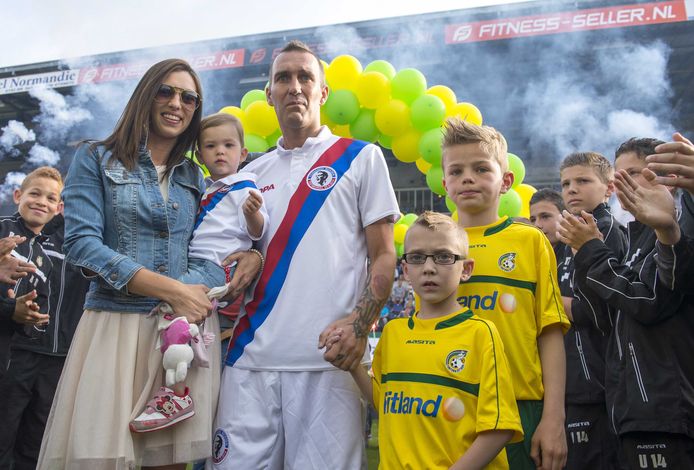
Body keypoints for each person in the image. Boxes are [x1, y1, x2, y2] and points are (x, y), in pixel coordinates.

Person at [37, 58, 260, 470]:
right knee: (97, 458)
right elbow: (82, 244)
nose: (177, 103)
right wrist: (171, 290)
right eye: (166, 91)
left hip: (178, 331)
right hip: (114, 325)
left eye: (189, 97)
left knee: (167, 463)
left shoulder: (197, 176)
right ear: (146, 95)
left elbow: (213, 247)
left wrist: (249, 254)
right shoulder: (95, 158)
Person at [212, 40, 399, 469]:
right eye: (283, 78)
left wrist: (358, 323)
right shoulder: (248, 175)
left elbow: (384, 255)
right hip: (249, 361)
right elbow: (233, 257)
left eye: (305, 77)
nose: (294, 86)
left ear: (323, 92)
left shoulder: (361, 158)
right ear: (269, 95)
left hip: (329, 364)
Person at [330, 211, 523, 469]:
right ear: (406, 270)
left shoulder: (481, 334)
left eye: (444, 257)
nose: (429, 268)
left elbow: (499, 428)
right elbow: (383, 402)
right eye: (418, 258)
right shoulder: (394, 333)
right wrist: (353, 366)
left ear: (466, 269)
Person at [441, 117, 570, 470]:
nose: (467, 177)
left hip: (520, 406)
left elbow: (551, 332)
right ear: (444, 183)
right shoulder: (437, 246)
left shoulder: (529, 242)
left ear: (506, 181)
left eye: (481, 168)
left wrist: (553, 418)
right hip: (452, 404)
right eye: (456, 171)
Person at [557, 137, 694, 469]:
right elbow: (612, 317)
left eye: (636, 173)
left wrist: (590, 251)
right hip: (629, 406)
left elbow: (647, 301)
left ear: (668, 177)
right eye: (621, 177)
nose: (625, 185)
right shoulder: (635, 236)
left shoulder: (669, 230)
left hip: (662, 407)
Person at [130, 112, 268, 433]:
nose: (220, 151)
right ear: (200, 154)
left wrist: (252, 215)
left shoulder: (245, 187)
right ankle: (188, 357)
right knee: (173, 318)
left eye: (228, 145)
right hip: (196, 267)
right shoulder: (204, 188)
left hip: (212, 268)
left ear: (243, 154)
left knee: (169, 307)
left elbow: (261, 231)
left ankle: (176, 396)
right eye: (211, 146)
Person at [557, 151, 627, 470]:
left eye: (583, 181)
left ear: (608, 188)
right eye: (566, 183)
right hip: (573, 381)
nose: (572, 189)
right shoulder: (567, 234)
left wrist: (549, 305)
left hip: (597, 382)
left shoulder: (606, 231)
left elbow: (602, 310)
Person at [0, 168, 61, 375]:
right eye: (35, 193)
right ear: (18, 196)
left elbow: (37, 324)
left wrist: (29, 316)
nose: (42, 202)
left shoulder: (45, 263)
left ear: (58, 208)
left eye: (50, 198)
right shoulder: (2, 229)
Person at [528, 188, 565, 261]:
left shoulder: (577, 252)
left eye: (545, 217)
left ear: (564, 216)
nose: (537, 225)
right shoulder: (528, 258)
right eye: (533, 220)